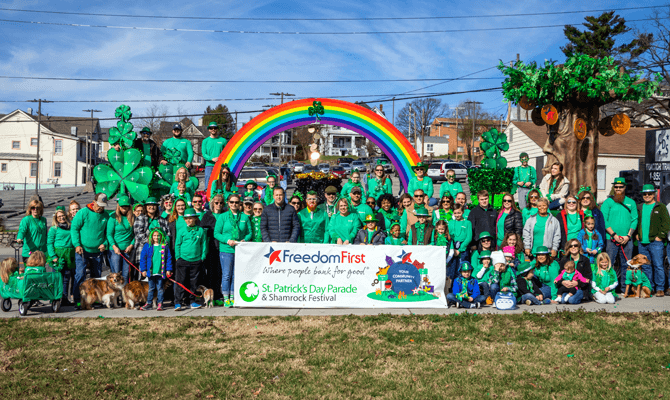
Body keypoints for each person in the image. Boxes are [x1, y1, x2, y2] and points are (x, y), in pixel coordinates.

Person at [71, 193, 110, 309]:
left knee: (96, 277)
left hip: (97, 251)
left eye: (103, 206)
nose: (101, 208)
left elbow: (109, 233)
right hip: (82, 251)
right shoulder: (83, 212)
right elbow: (74, 228)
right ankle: (77, 301)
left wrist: (105, 244)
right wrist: (77, 245)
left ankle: (95, 300)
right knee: (80, 275)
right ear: (94, 202)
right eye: (99, 205)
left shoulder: (106, 216)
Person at [214, 194, 251, 308]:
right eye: (232, 202)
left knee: (236, 275)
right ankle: (226, 297)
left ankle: (233, 297)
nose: (234, 204)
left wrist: (245, 240)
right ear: (228, 203)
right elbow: (216, 233)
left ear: (240, 203)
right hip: (226, 249)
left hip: (240, 250)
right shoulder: (223, 217)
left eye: (236, 202)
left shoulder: (244, 217)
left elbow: (250, 232)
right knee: (226, 275)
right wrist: (227, 240)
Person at [601, 177, 638, 289]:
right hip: (611, 239)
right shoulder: (608, 202)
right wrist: (614, 235)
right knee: (609, 264)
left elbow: (634, 219)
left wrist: (628, 235)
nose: (618, 189)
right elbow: (604, 220)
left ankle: (623, 288)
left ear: (624, 187)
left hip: (627, 239)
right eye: (616, 187)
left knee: (626, 264)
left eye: (620, 187)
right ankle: (608, 287)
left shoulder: (631, 202)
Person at [636, 184, 670, 297]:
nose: (647, 195)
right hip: (642, 242)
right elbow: (637, 222)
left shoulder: (660, 207)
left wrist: (660, 236)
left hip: (656, 242)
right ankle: (650, 287)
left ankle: (660, 288)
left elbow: (666, 223)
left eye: (649, 193)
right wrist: (637, 233)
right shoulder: (640, 207)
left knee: (658, 265)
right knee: (645, 266)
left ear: (654, 194)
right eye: (645, 194)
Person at [174, 208, 207, 310]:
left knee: (194, 282)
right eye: (187, 219)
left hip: (196, 260)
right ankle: (178, 302)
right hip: (183, 259)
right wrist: (177, 257)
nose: (189, 220)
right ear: (184, 220)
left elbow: (204, 244)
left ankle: (192, 301)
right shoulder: (181, 230)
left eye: (191, 218)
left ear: (195, 219)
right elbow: (177, 244)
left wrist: (202, 257)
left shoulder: (200, 230)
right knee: (181, 281)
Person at [198, 193, 225, 304]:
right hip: (210, 247)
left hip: (223, 247)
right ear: (212, 204)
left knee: (220, 272)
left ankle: (218, 296)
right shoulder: (207, 215)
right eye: (216, 203)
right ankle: (209, 297)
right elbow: (202, 231)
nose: (218, 205)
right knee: (210, 273)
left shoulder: (225, 215)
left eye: (221, 203)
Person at [139, 228, 173, 311]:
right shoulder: (147, 246)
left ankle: (160, 303)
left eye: (158, 235)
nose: (156, 237)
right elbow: (143, 258)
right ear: (151, 236)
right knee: (151, 288)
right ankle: (149, 303)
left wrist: (168, 269)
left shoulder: (164, 246)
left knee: (160, 288)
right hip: (151, 272)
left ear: (161, 236)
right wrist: (143, 270)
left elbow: (168, 258)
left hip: (160, 272)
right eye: (154, 235)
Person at [47, 207, 75, 306]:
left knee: (67, 278)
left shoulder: (70, 226)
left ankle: (64, 298)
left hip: (69, 255)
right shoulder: (54, 229)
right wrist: (53, 256)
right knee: (57, 278)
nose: (62, 218)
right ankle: (55, 298)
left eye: (63, 215)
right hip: (58, 255)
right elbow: (49, 243)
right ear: (56, 218)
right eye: (59, 216)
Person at [133, 197, 170, 270]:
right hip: (144, 249)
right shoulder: (141, 218)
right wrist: (152, 243)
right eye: (149, 205)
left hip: (159, 251)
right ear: (146, 207)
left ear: (157, 207)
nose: (151, 207)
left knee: (158, 274)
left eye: (154, 205)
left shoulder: (162, 220)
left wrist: (163, 243)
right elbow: (139, 235)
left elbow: (168, 234)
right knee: (145, 276)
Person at [106, 195, 135, 284]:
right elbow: (109, 234)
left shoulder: (133, 217)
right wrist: (114, 246)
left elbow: (136, 234)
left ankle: (124, 295)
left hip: (127, 250)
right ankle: (116, 294)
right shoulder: (113, 217)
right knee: (116, 273)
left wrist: (131, 245)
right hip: (115, 250)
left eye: (126, 206)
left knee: (125, 274)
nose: (124, 209)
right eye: (122, 207)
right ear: (119, 206)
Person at [201, 121, 228, 189]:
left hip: (221, 166)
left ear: (217, 129)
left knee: (222, 183)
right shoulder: (205, 141)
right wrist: (212, 158)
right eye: (211, 128)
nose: (213, 129)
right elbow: (204, 154)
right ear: (209, 129)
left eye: (215, 128)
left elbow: (227, 153)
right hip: (209, 166)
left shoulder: (223, 140)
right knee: (208, 185)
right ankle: (207, 198)